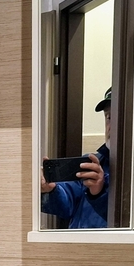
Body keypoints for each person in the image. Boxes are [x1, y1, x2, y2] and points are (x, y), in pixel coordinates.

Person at [40, 88, 111, 228]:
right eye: (108, 117)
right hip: (77, 242)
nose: (112, 126)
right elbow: (66, 204)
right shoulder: (91, 164)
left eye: (120, 116)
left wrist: (99, 194)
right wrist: (50, 190)